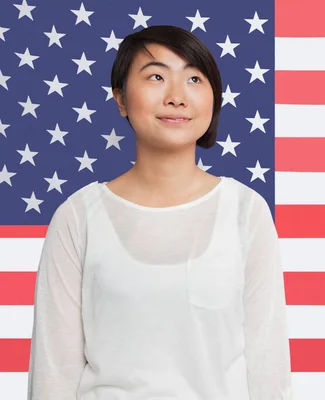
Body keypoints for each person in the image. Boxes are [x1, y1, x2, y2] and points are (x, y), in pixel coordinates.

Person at [27, 25, 295, 399]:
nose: (176, 97)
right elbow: (53, 369)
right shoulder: (78, 216)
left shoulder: (245, 210)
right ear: (120, 99)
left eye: (194, 79)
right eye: (156, 76)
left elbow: (267, 362)